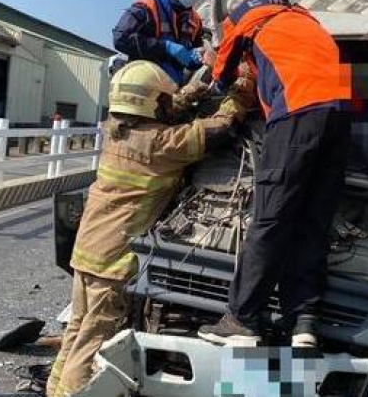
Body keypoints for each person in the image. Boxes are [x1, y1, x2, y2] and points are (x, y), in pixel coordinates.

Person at [46, 60, 254, 397]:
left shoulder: (115, 127)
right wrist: (239, 97)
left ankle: (54, 390)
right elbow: (217, 130)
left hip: (86, 252)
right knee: (93, 340)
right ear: (152, 104)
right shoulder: (161, 144)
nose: (167, 107)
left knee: (76, 330)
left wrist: (187, 94)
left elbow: (161, 114)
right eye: (163, 101)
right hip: (112, 262)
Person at [197, 0, 353, 348]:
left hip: (297, 115)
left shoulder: (246, 15)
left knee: (271, 218)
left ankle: (242, 318)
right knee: (313, 222)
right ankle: (303, 322)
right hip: (340, 116)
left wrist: (211, 66)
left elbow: (220, 80)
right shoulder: (306, 18)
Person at [112, 0, 214, 84]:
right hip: (141, 84)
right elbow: (120, 38)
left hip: (170, 89)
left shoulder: (195, 21)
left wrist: (196, 59)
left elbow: (193, 60)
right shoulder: (149, 5)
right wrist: (165, 47)